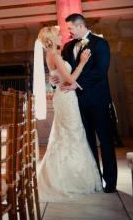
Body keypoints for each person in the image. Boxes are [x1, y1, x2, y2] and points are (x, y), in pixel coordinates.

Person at [34, 25, 102, 201]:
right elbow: (70, 79)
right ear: (50, 39)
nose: (61, 37)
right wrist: (82, 62)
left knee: (65, 135)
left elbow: (56, 77)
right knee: (72, 134)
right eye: (57, 35)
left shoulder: (50, 55)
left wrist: (54, 78)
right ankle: (69, 179)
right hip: (66, 97)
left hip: (62, 95)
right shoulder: (55, 55)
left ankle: (65, 175)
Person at [55, 13, 118, 193]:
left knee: (105, 141)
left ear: (80, 26)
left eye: (70, 28)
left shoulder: (100, 43)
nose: (69, 32)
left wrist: (78, 83)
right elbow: (65, 70)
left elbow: (100, 71)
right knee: (87, 142)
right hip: (76, 103)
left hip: (98, 101)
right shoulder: (68, 47)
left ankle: (110, 182)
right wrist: (57, 78)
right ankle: (94, 179)